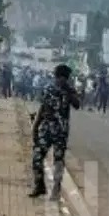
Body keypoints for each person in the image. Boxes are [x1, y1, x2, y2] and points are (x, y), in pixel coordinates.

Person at [29, 64, 80, 201]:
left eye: (64, 78)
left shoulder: (70, 90)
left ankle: (56, 190)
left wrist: (69, 92)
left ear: (66, 78)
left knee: (58, 161)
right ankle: (39, 185)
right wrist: (35, 127)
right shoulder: (48, 89)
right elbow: (42, 108)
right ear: (56, 77)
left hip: (61, 132)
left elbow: (77, 105)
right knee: (37, 157)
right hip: (46, 129)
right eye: (59, 77)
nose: (60, 80)